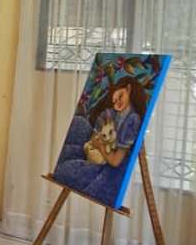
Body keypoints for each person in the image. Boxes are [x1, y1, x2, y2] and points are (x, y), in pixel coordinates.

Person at [53, 76, 147, 206]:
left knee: (63, 169)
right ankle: (70, 160)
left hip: (105, 166)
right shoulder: (111, 112)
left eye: (120, 96)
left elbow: (115, 161)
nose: (117, 103)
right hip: (97, 150)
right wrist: (97, 142)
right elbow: (94, 136)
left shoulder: (132, 120)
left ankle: (68, 165)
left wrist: (100, 145)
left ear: (129, 89)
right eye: (114, 101)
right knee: (78, 123)